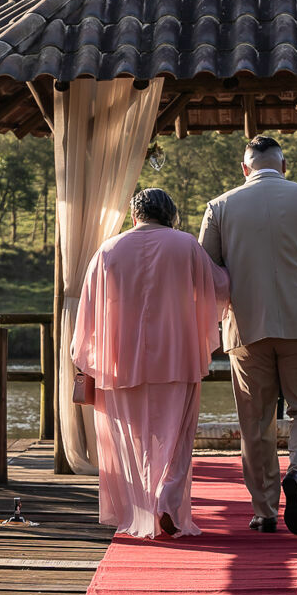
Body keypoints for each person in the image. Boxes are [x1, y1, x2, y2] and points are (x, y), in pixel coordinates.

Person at [198, 136, 297, 535]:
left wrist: (209, 324)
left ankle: (265, 511)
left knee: (255, 421)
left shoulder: (219, 206)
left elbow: (204, 277)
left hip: (246, 327)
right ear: (284, 166)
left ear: (244, 168)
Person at [71, 188, 229, 539]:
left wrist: (84, 359)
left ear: (134, 216)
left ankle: (141, 511)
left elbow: (88, 313)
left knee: (131, 439)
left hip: (121, 360)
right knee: (178, 437)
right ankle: (166, 501)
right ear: (170, 214)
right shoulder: (187, 245)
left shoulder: (107, 250)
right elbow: (219, 289)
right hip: (177, 356)